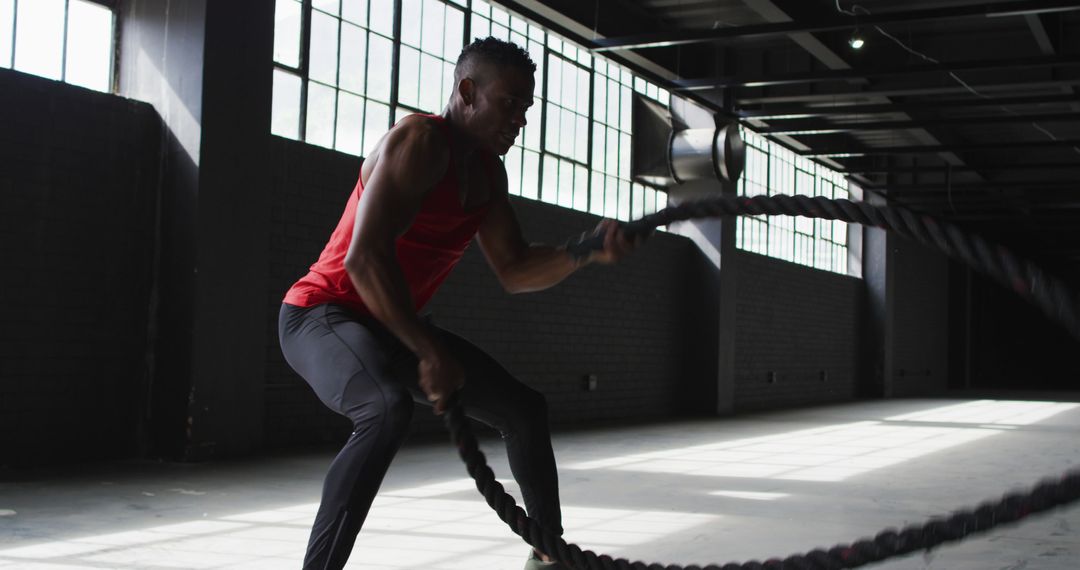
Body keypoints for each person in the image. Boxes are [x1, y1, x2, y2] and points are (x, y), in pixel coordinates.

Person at [278, 37, 641, 570]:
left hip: (391, 328)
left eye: (526, 108)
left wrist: (585, 251)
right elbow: (364, 258)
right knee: (384, 409)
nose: (520, 119)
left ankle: (549, 553)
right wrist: (428, 349)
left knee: (523, 410)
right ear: (467, 92)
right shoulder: (420, 141)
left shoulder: (489, 175)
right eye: (509, 102)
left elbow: (515, 269)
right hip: (322, 314)